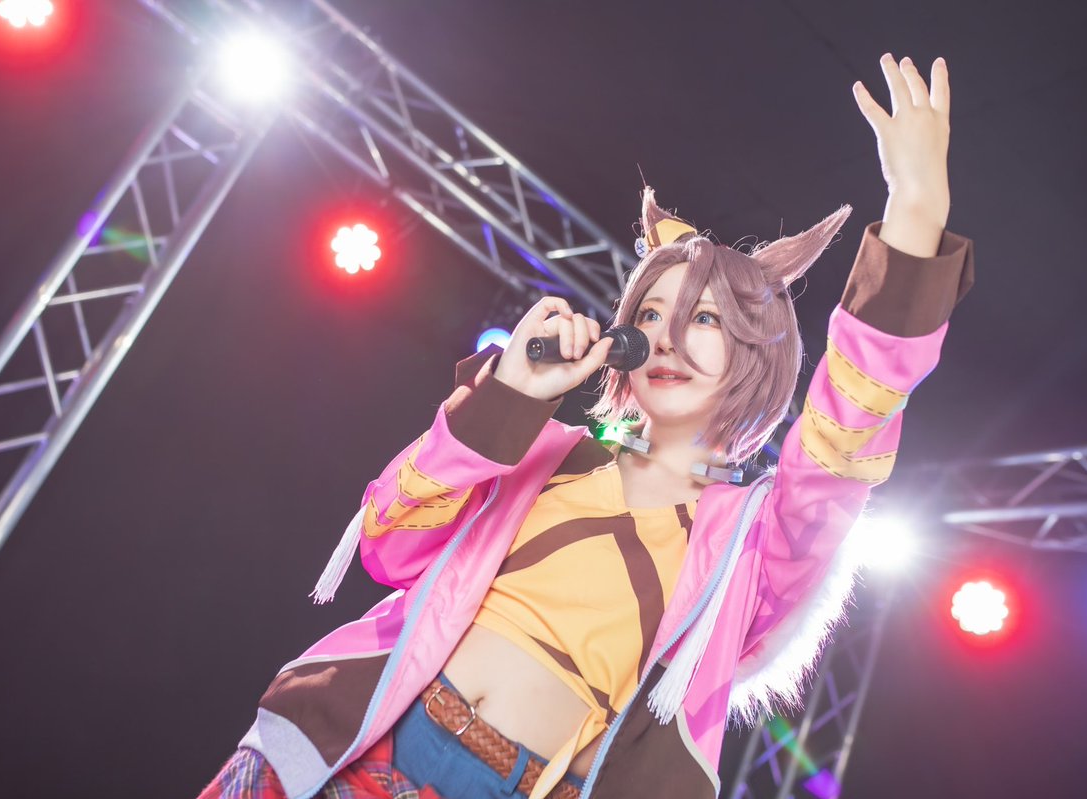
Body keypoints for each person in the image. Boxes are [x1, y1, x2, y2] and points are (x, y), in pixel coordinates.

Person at [197, 53, 975, 799]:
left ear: (756, 348)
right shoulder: (537, 451)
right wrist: (507, 397)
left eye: (704, 317)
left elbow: (844, 434)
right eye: (650, 314)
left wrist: (915, 218)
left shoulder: (754, 543)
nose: (667, 337)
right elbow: (388, 542)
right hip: (357, 750)